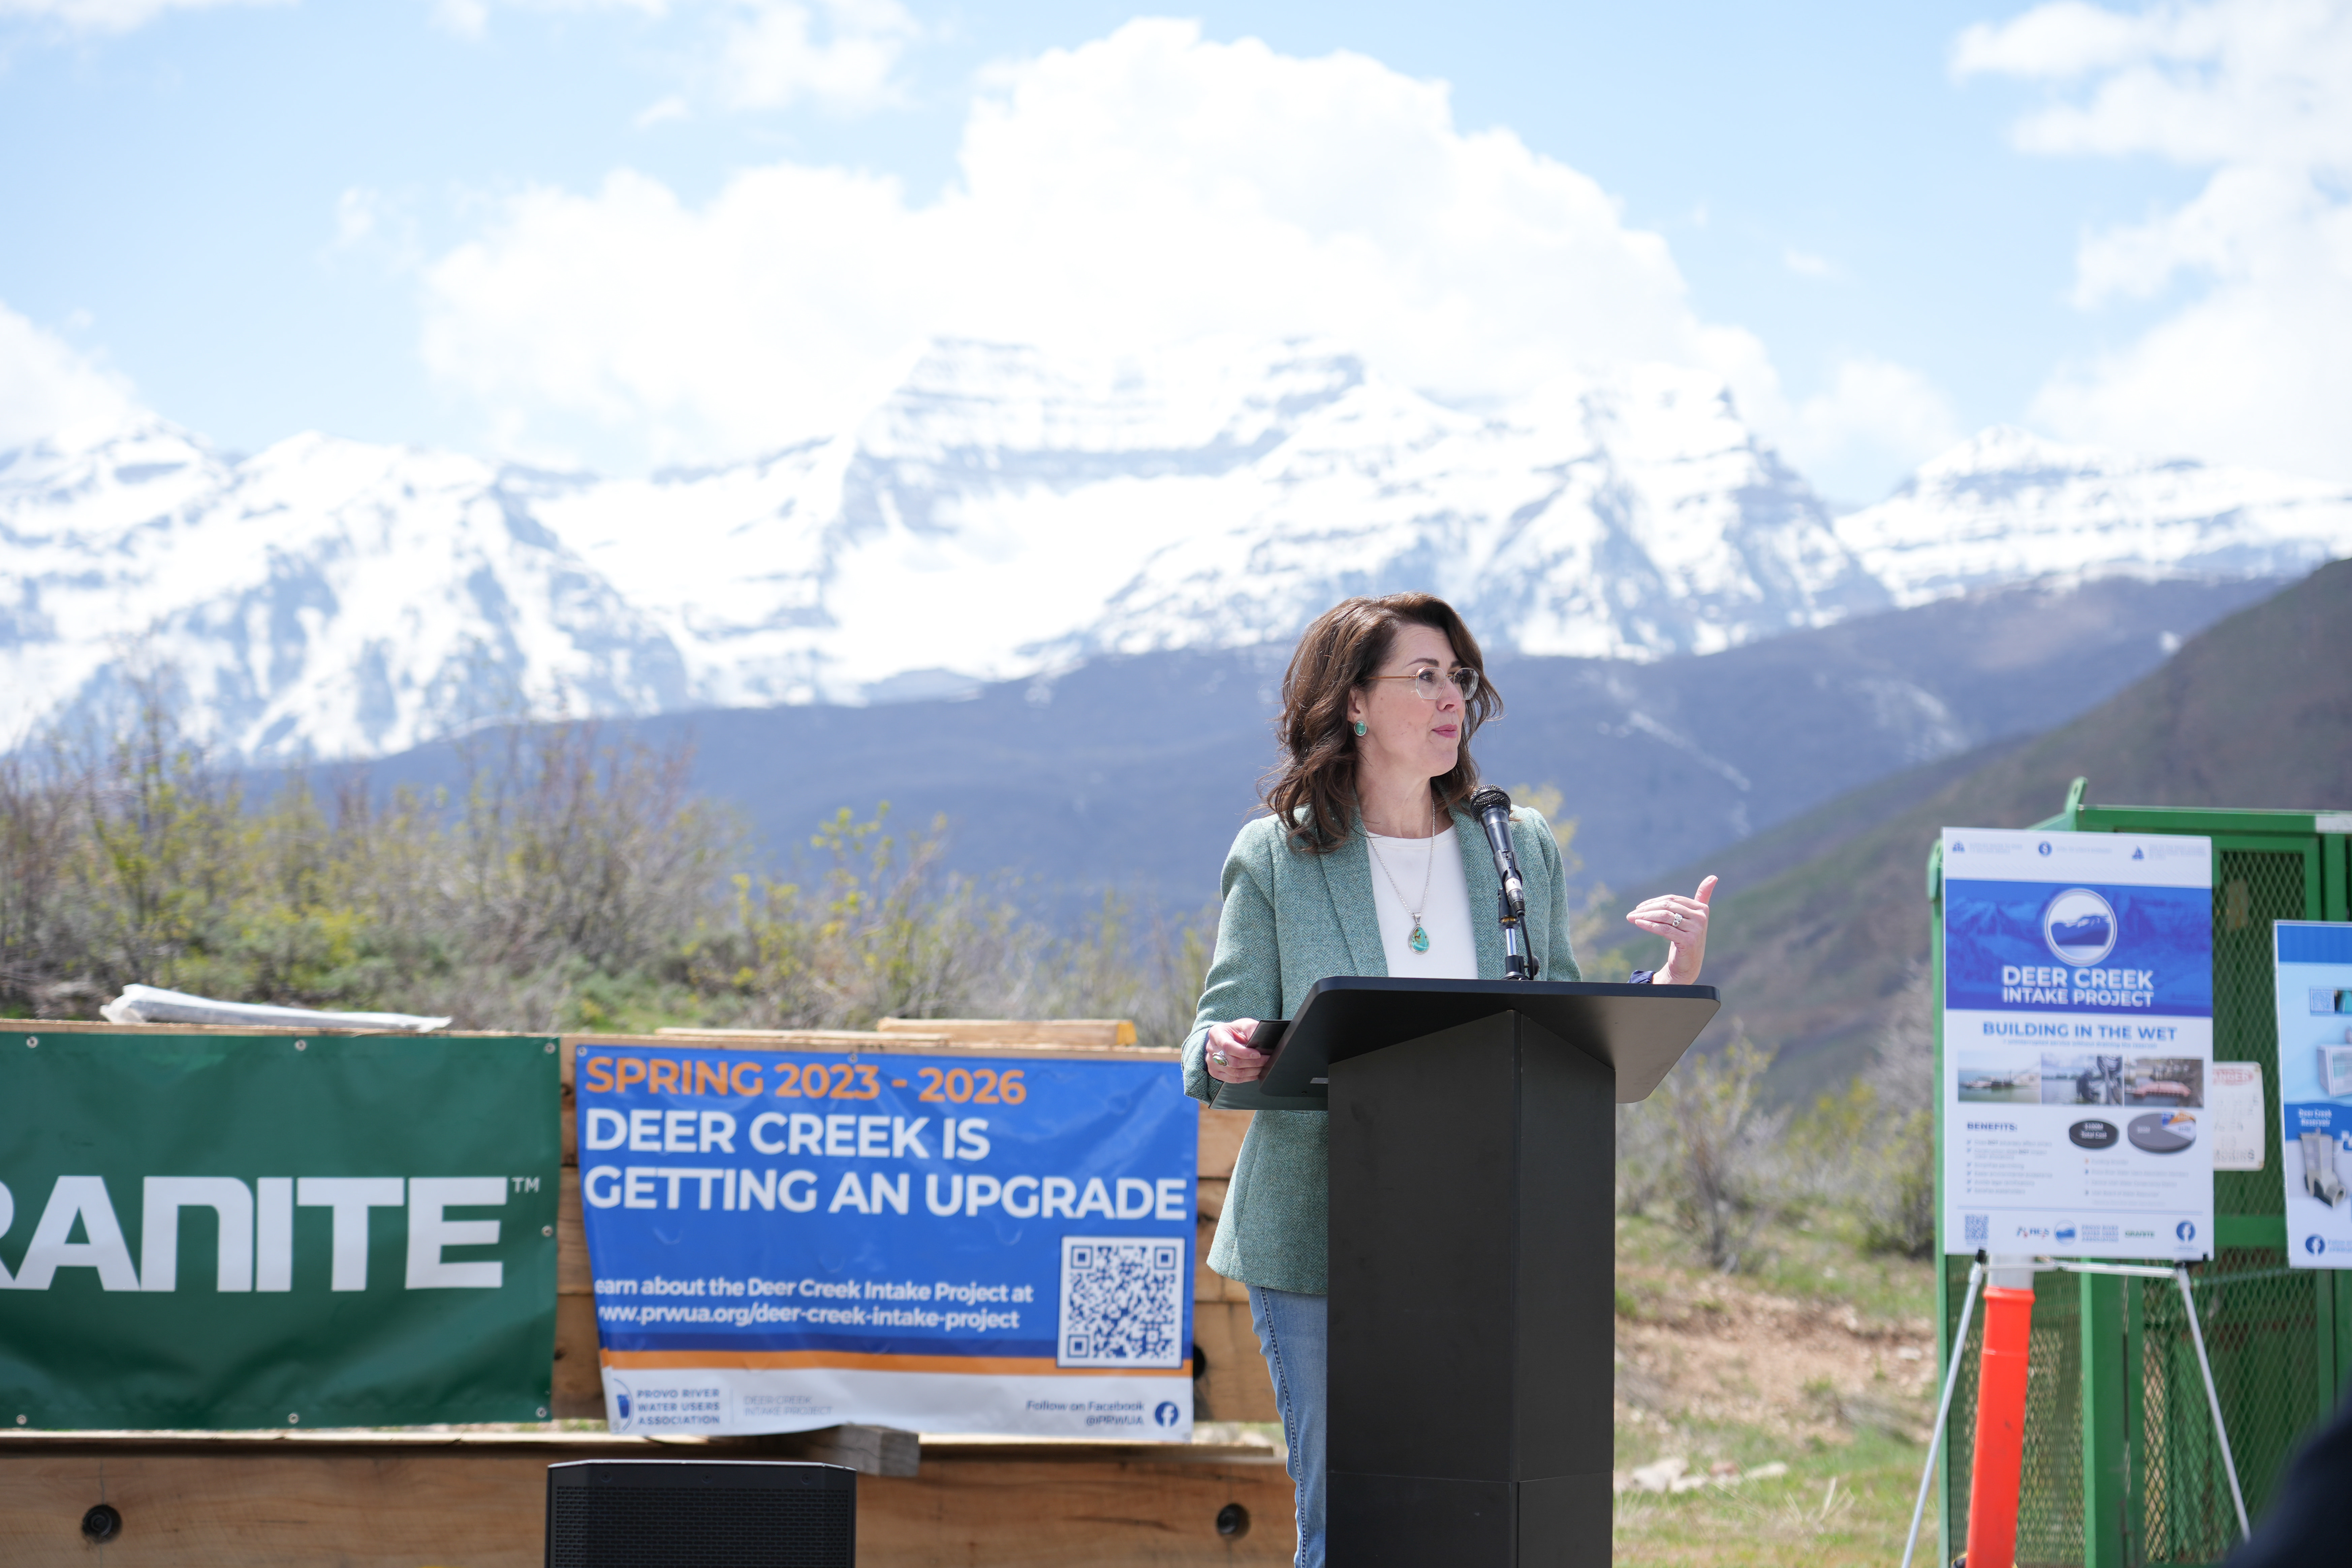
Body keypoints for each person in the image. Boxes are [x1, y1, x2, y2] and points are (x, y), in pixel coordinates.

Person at [1180, 593, 1718, 1566]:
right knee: (1350, 1526)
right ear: (1352, 703)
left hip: (1486, 1232)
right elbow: (1219, 1027)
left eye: (1459, 678)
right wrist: (1222, 1053)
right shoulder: (1279, 855)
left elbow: (1553, 1017)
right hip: (1320, 1236)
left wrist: (1668, 985)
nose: (1451, 699)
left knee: (1478, 1521)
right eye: (1424, 676)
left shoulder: (1513, 844)